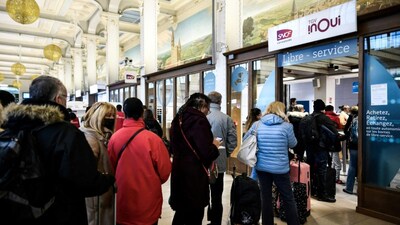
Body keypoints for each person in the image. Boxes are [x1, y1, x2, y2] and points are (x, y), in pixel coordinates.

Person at [1, 75, 115, 225]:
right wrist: (107, 180)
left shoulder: (11, 126)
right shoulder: (65, 133)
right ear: (58, 99)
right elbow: (85, 180)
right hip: (60, 213)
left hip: (18, 211)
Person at [108, 97, 171, 225]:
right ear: (142, 113)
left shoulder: (115, 138)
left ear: (124, 113)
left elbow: (110, 168)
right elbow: (165, 172)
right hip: (148, 203)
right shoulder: (153, 139)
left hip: (123, 200)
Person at [169, 93, 221, 225]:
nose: (208, 111)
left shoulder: (178, 119)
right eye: (207, 107)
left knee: (181, 213)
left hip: (179, 171)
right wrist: (214, 146)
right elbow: (206, 153)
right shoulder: (199, 121)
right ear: (201, 106)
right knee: (194, 214)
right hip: (194, 176)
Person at [244, 101, 299, 225]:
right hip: (281, 168)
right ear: (282, 111)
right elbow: (293, 144)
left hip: (262, 167)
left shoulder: (257, 125)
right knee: (288, 198)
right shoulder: (287, 126)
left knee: (266, 198)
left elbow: (246, 139)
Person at [80, 102, 117, 225]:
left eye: (113, 115)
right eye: (107, 115)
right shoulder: (91, 138)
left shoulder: (105, 136)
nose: (111, 118)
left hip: (105, 191)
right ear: (98, 116)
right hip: (96, 196)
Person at [206, 91, 237, 225]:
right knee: (217, 194)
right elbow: (233, 140)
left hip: (202, 161)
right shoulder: (226, 118)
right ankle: (216, 222)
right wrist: (227, 154)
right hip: (219, 160)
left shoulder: (203, 117)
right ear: (220, 102)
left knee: (201, 192)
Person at [303, 99, 338, 203]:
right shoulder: (324, 118)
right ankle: (322, 194)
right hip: (321, 148)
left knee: (311, 169)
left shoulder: (308, 117)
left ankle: (312, 190)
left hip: (309, 148)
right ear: (323, 108)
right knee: (322, 170)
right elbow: (334, 133)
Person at [325, 105, 344, 184]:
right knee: (337, 162)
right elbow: (339, 127)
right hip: (335, 141)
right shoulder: (336, 117)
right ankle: (336, 178)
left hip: (326, 142)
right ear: (332, 109)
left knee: (331, 161)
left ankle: (332, 176)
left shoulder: (324, 117)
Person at [343, 106, 359, 194]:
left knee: (352, 166)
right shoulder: (366, 117)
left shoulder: (352, 118)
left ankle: (349, 188)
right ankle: (360, 189)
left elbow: (346, 130)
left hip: (354, 146)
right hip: (365, 146)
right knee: (363, 167)